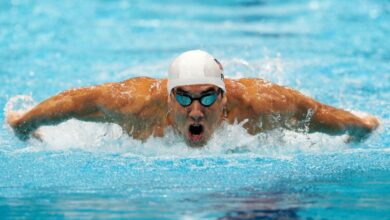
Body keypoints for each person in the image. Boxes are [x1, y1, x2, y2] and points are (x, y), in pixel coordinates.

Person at [6, 50, 379, 147]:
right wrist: (24, 123)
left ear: (225, 97)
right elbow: (74, 102)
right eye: (183, 99)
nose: (196, 110)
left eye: (206, 99)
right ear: (168, 101)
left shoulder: (262, 106)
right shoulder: (135, 105)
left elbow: (323, 115)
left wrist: (360, 127)